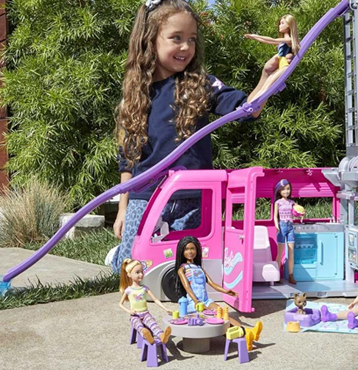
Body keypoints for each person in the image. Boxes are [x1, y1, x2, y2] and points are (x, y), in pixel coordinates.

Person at [109, 0, 272, 272]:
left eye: (192, 39)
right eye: (176, 38)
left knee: (188, 267)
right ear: (150, 40)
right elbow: (127, 156)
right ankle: (118, 254)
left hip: (195, 197)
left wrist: (268, 76)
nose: (186, 47)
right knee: (130, 271)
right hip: (146, 197)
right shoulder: (138, 93)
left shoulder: (201, 84)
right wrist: (123, 209)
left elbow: (248, 109)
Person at [174, 236, 262, 350]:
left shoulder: (199, 268)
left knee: (222, 313)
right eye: (187, 249)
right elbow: (187, 287)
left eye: (193, 249)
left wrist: (226, 291)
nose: (190, 252)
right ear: (182, 251)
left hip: (205, 300)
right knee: (218, 318)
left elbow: (212, 283)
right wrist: (196, 302)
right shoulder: (182, 269)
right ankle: (247, 334)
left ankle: (248, 332)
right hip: (194, 302)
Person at [244, 14, 300, 110]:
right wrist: (254, 37)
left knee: (267, 87)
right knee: (266, 84)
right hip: (281, 65)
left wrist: (254, 36)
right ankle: (251, 103)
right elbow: (269, 41)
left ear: (289, 25)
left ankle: (253, 105)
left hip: (284, 66)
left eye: (282, 23)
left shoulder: (289, 40)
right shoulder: (285, 40)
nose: (279, 26)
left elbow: (272, 39)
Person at [119, 258, 172, 344]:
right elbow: (120, 304)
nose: (141, 274)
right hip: (135, 315)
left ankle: (162, 336)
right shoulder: (128, 290)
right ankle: (148, 337)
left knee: (153, 324)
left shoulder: (144, 288)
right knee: (139, 326)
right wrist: (129, 311)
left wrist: (165, 309)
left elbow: (155, 299)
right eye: (137, 272)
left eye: (141, 272)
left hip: (145, 313)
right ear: (129, 274)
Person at [273, 179, 302, 284]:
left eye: (288, 189)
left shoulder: (292, 202)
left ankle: (291, 275)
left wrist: (300, 213)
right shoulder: (278, 203)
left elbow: (297, 212)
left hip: (290, 227)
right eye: (283, 189)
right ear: (279, 191)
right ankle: (277, 275)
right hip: (282, 227)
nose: (286, 191)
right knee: (280, 253)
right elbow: (275, 217)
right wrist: (277, 226)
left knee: (291, 253)